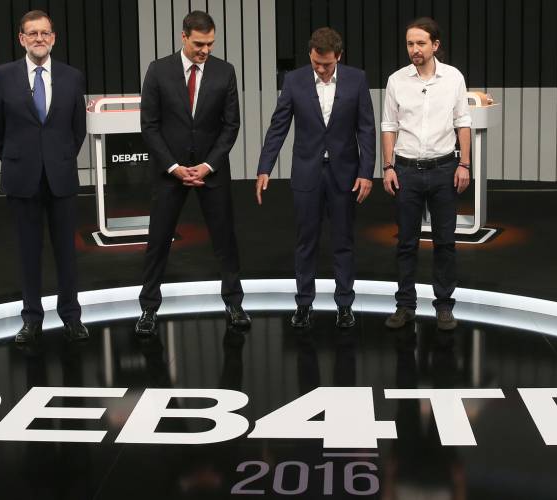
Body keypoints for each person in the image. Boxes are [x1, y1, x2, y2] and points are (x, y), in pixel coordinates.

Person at [136, 11, 248, 335]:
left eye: (210, 44)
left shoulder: (225, 72)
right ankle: (148, 309)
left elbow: (231, 125)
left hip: (211, 171)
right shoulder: (158, 70)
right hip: (169, 172)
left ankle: (234, 304)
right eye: (199, 44)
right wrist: (173, 167)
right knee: (158, 241)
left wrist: (208, 165)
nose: (205, 50)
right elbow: (149, 125)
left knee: (225, 240)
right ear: (183, 37)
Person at [255, 27, 376, 329]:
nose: (320, 69)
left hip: (345, 173)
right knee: (305, 240)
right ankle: (303, 304)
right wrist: (264, 167)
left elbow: (366, 129)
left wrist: (366, 173)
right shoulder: (294, 80)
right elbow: (278, 126)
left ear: (339, 56)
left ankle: (345, 305)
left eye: (326, 64)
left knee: (343, 240)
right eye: (316, 63)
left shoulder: (356, 79)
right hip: (307, 172)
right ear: (310, 55)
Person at [0, 10, 89, 343]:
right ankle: (31, 319)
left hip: (61, 175)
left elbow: (78, 129)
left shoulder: (72, 77)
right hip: (22, 177)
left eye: (45, 33)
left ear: (53, 38)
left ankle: (71, 317)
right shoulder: (3, 76)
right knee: (28, 253)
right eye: (32, 33)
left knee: (66, 253)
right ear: (22, 39)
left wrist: (58, 157)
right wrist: (18, 158)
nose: (39, 39)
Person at [380, 17, 471, 331]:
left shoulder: (453, 78)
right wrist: (388, 166)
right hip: (406, 170)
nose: (414, 49)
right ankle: (405, 306)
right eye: (410, 44)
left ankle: (443, 306)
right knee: (406, 243)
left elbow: (463, 122)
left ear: (435, 45)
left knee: (445, 242)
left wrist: (464, 164)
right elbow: (389, 125)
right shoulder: (396, 80)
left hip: (444, 169)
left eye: (421, 43)